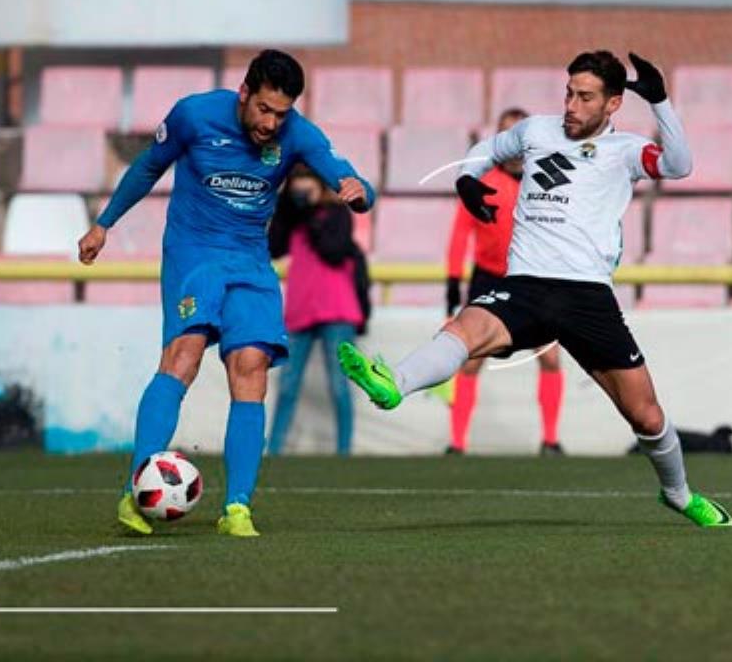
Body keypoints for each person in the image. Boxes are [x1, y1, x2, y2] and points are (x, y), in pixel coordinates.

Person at [338, 50, 732, 528]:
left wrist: (661, 102)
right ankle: (393, 384)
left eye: (585, 97)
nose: (571, 105)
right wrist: (468, 179)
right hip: (526, 283)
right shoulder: (536, 131)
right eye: (569, 93)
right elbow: (488, 148)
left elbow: (680, 165)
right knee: (465, 328)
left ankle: (678, 494)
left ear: (612, 104)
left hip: (588, 296)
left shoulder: (626, 150)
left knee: (646, 417)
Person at [78, 50, 375, 538]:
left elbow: (354, 181)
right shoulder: (194, 115)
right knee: (183, 357)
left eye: (281, 113)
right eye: (264, 109)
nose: (271, 123)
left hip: (251, 261)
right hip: (193, 253)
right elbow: (148, 168)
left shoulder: (298, 134)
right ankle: (135, 493)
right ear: (244, 94)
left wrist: (359, 191)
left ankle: (237, 507)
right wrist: (103, 224)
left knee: (251, 369)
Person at [444, 107, 565, 456]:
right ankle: (457, 442)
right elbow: (459, 233)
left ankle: (551, 439)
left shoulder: (544, 180)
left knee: (550, 357)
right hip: (487, 280)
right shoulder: (481, 181)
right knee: (470, 360)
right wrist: (452, 284)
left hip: (532, 278)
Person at [267, 166, 369, 456]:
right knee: (287, 386)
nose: (301, 186)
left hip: (336, 311)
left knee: (339, 386)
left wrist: (311, 214)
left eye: (307, 179)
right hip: (300, 312)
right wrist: (286, 209)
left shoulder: (337, 213)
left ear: (319, 184)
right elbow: (274, 247)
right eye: (297, 180)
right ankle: (273, 449)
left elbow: (334, 251)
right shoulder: (292, 218)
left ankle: (344, 452)